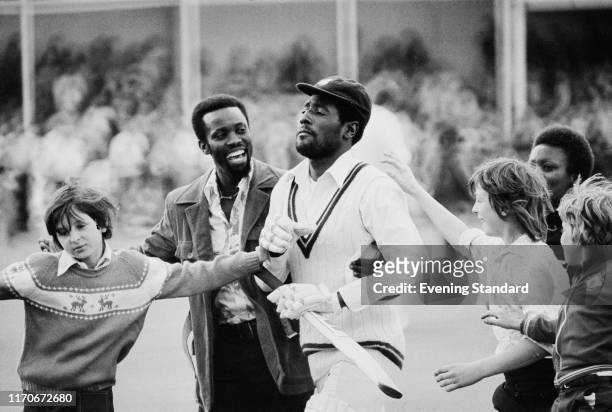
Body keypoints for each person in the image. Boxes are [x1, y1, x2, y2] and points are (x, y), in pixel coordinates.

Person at [0, 183, 292, 412]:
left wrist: (260, 256)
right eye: (63, 232)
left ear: (101, 224)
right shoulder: (39, 271)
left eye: (81, 227)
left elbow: (202, 273)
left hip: (96, 400)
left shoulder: (135, 271)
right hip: (41, 400)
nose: (74, 239)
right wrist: (9, 400)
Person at [139, 94, 312, 412]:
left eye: (240, 129)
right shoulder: (181, 203)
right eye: (221, 134)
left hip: (281, 347)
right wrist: (83, 255)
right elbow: (144, 261)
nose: (235, 140)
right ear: (203, 146)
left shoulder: (287, 187)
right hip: (218, 354)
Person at [261, 75, 423, 412]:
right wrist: (272, 255)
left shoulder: (373, 186)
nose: (304, 116)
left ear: (349, 130)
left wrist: (333, 299)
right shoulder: (285, 187)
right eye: (305, 108)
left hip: (368, 350)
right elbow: (273, 277)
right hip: (314, 352)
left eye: (319, 111)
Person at [381, 155, 568, 412]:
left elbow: (542, 342)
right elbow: (460, 235)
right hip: (518, 388)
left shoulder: (534, 261)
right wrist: (413, 188)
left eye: (480, 201)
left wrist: (478, 369)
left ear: (504, 206)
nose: (474, 209)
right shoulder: (500, 249)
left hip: (539, 389)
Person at [482, 175, 612, 412]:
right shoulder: (586, 282)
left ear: (583, 234)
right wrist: (523, 323)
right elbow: (564, 328)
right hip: (571, 391)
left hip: (594, 393)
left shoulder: (604, 279)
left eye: (566, 229)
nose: (560, 237)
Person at [528, 125, 594, 248]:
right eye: (531, 166)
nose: (534, 174)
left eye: (547, 167)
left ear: (574, 177)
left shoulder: (584, 235)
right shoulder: (519, 220)